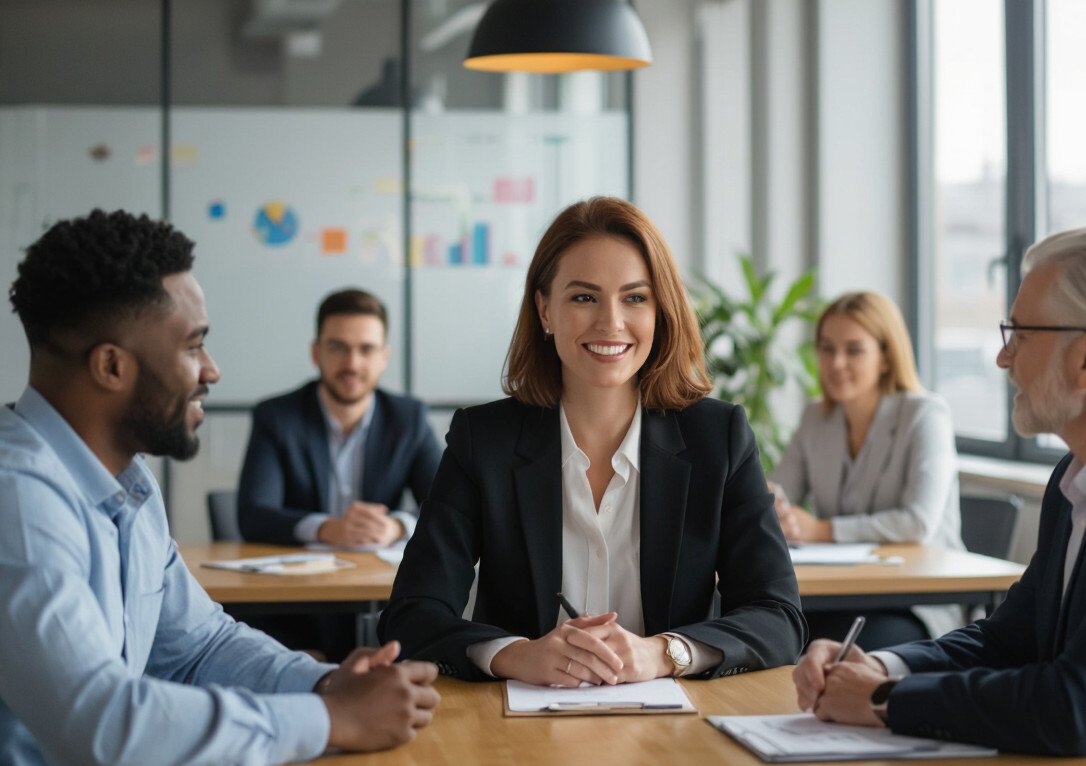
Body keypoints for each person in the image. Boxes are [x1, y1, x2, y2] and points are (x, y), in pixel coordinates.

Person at [0, 210, 440, 766]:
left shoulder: (130, 486)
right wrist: (332, 721)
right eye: (192, 345)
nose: (212, 371)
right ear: (111, 367)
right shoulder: (17, 500)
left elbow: (200, 645)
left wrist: (323, 684)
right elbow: (97, 724)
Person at [793, 226, 1086, 766]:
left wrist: (886, 700)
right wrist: (879, 666)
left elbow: (1079, 706)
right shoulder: (1075, 477)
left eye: (1020, 334)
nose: (1001, 357)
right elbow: (1005, 638)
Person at [379, 196, 806, 685]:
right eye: (583, 297)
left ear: (660, 311)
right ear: (544, 310)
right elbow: (410, 616)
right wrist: (516, 655)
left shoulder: (719, 437)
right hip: (515, 731)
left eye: (635, 298)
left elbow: (778, 617)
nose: (610, 322)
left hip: (676, 729)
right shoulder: (485, 441)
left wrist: (664, 654)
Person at [772, 291, 962, 648]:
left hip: (912, 604)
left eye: (854, 350)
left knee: (831, 649)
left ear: (886, 357)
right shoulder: (817, 418)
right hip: (837, 595)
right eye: (827, 348)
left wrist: (820, 529)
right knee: (768, 634)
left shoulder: (925, 415)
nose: (836, 363)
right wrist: (775, 508)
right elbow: (778, 492)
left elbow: (916, 523)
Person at [237, 288, 442, 549]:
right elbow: (253, 515)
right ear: (316, 353)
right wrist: (326, 528)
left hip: (379, 582)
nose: (352, 364)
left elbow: (449, 505)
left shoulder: (409, 419)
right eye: (337, 347)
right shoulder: (276, 417)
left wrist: (397, 525)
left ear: (384, 358)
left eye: (366, 349)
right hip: (299, 584)